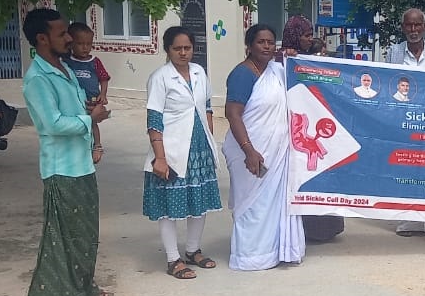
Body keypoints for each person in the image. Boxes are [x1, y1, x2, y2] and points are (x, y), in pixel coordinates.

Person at [21, 8, 112, 296]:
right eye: (62, 34)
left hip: (81, 163)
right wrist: (90, 118)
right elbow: (52, 124)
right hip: (61, 168)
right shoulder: (37, 78)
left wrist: (88, 106)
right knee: (65, 236)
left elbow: (71, 109)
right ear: (42, 39)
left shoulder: (65, 68)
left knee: (85, 232)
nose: (70, 38)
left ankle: (85, 286)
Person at [223, 23, 308, 268]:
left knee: (272, 204)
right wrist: (249, 150)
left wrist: (292, 58)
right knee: (252, 205)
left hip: (277, 151)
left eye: (271, 42)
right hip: (248, 152)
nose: (267, 46)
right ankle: (249, 257)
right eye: (261, 42)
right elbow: (233, 113)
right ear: (249, 46)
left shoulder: (276, 70)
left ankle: (273, 252)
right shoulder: (242, 73)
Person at [144, 26, 223, 279]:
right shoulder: (160, 77)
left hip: (199, 148)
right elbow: (154, 119)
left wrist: (210, 140)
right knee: (170, 205)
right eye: (177, 48)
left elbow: (207, 108)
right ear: (167, 50)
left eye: (187, 48)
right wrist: (161, 157)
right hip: (172, 150)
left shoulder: (200, 72)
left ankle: (193, 250)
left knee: (198, 202)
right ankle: (172, 259)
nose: (183, 53)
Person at [279, 14, 345, 243]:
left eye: (310, 35)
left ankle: (326, 229)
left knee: (321, 174)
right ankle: (302, 230)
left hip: (319, 126)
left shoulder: (314, 59)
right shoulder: (282, 62)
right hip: (296, 130)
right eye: (306, 35)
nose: (310, 39)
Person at [384, 8, 425, 237]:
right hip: (403, 122)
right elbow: (388, 86)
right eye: (409, 25)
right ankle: (407, 222)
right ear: (403, 27)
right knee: (405, 169)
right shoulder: (394, 53)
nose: (413, 30)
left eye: (417, 25)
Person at [64, 22, 111, 164]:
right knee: (78, 123)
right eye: (80, 44)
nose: (85, 48)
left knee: (92, 123)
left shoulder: (94, 62)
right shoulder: (67, 62)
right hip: (74, 101)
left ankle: (97, 145)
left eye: (88, 44)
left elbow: (104, 78)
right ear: (71, 44)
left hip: (92, 100)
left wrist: (103, 94)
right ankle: (77, 149)